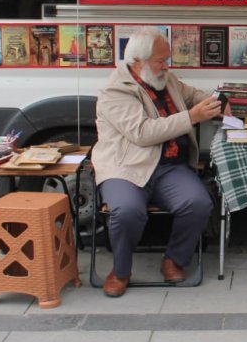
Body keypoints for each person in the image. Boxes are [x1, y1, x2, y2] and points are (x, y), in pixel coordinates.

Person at [92, 29, 226, 297]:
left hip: (169, 166)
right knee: (126, 211)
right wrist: (192, 117)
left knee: (198, 203)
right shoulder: (115, 91)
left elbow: (192, 95)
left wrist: (216, 103)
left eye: (167, 60)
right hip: (126, 167)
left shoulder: (166, 78)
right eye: (160, 61)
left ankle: (174, 259)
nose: (167, 66)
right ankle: (121, 270)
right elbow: (142, 133)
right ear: (137, 62)